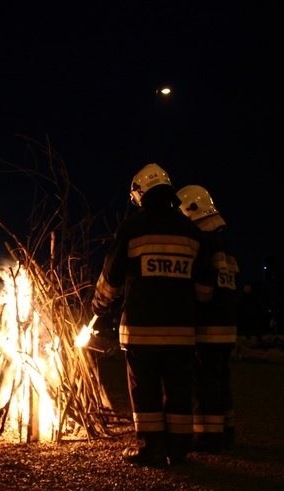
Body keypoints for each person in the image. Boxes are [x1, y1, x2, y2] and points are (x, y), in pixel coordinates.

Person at [91, 164, 215, 467]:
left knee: (145, 392)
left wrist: (99, 308)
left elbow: (111, 278)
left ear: (141, 193)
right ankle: (179, 450)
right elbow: (205, 287)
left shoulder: (133, 228)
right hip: (182, 331)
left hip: (141, 331)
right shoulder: (191, 231)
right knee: (179, 391)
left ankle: (151, 449)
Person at [177, 185, 238, 452]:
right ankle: (227, 432)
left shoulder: (202, 243)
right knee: (221, 380)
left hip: (207, 328)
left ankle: (208, 437)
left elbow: (203, 288)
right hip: (227, 327)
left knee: (204, 383)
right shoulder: (224, 247)